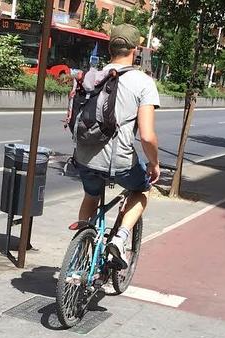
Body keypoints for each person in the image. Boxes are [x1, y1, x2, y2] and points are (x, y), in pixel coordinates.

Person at [74, 24, 160, 268]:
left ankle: (80, 249)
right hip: (118, 162)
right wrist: (154, 164)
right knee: (141, 190)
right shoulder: (143, 83)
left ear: (109, 47)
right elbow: (147, 136)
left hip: (84, 157)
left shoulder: (94, 76)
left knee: (91, 195)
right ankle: (121, 239)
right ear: (135, 49)